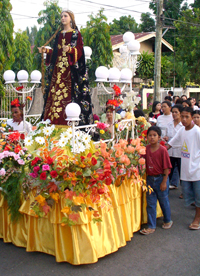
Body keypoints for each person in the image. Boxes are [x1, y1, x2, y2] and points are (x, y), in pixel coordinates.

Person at [39, 10, 93, 126]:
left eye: (65, 16)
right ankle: (52, 122)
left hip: (70, 72)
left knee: (71, 95)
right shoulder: (58, 34)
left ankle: (69, 122)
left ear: (71, 19)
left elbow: (80, 50)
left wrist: (70, 50)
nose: (63, 18)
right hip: (58, 72)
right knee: (53, 96)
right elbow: (56, 53)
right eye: (61, 16)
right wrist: (46, 51)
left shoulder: (75, 34)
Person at [168, 107, 200, 230]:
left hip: (197, 170)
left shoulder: (197, 132)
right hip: (186, 170)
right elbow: (170, 144)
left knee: (198, 196)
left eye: (187, 117)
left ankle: (197, 218)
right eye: (183, 117)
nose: (184, 119)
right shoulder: (181, 131)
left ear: (192, 117)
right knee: (189, 195)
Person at [140, 126, 173, 235]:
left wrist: (164, 181)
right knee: (151, 203)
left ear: (159, 137)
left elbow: (166, 168)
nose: (152, 137)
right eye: (150, 135)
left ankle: (168, 220)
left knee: (163, 201)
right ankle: (151, 225)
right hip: (150, 179)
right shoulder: (146, 149)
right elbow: (141, 161)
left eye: (155, 135)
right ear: (147, 137)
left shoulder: (163, 150)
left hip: (160, 179)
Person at [164, 104, 183, 189]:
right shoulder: (169, 125)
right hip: (170, 152)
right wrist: (165, 138)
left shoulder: (183, 126)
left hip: (180, 151)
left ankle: (184, 191)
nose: (174, 114)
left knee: (182, 172)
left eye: (176, 112)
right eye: (173, 112)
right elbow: (166, 136)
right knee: (169, 171)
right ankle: (166, 186)